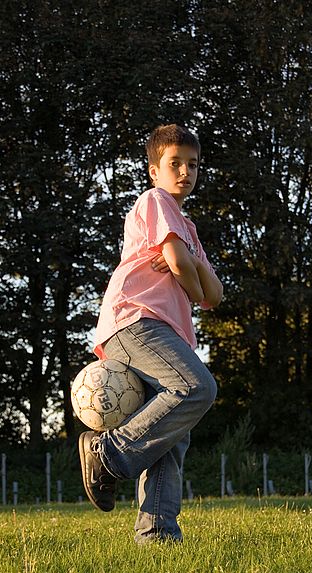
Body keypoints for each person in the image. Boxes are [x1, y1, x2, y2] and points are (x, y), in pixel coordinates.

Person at [78, 124, 223, 544]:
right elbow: (182, 267)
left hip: (163, 329)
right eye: (174, 163)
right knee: (197, 387)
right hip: (135, 320)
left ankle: (157, 533)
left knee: (171, 436)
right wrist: (187, 274)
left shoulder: (188, 228)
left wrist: (189, 272)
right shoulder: (155, 200)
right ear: (153, 171)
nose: (185, 171)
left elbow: (215, 296)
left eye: (192, 164)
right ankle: (109, 454)